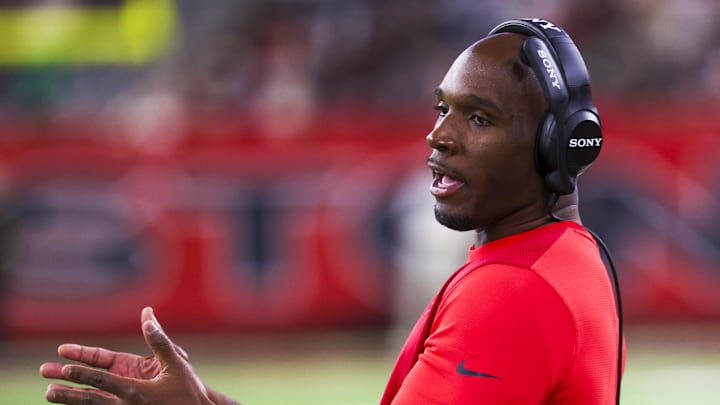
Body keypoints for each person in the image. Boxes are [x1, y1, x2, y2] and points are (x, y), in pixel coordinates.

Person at [40, 18, 624, 405]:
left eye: (478, 118)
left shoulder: (510, 291)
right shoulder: (565, 255)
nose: (438, 136)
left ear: (554, 145)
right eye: (442, 108)